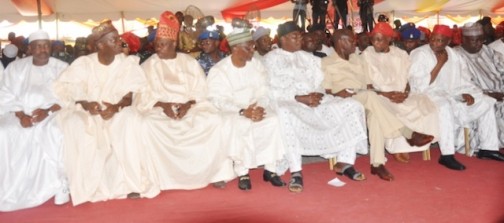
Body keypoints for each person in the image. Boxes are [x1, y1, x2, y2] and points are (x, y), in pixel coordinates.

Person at [53, 20, 160, 206]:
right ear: (100, 45)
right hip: (89, 112)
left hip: (118, 111)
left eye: (118, 38)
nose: (120, 42)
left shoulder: (127, 63)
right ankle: (89, 187)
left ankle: (132, 183)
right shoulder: (84, 64)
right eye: (114, 40)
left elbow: (130, 95)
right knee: (75, 124)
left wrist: (116, 107)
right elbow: (66, 89)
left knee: (132, 120)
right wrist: (86, 104)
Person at [135, 11, 236, 191]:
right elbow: (141, 95)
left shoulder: (189, 62)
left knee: (213, 120)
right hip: (160, 109)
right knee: (146, 124)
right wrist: (162, 105)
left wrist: (188, 105)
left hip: (191, 105)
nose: (158, 48)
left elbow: (201, 90)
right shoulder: (148, 65)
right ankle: (158, 178)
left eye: (162, 44)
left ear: (173, 43)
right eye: (157, 45)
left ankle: (215, 173)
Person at [263, 21, 368, 192]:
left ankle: (346, 162)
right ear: (283, 39)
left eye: (300, 36)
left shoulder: (308, 57)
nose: (299, 39)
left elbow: (319, 82)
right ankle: (296, 171)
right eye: (294, 36)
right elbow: (269, 88)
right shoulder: (271, 59)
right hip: (289, 101)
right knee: (284, 113)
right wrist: (299, 97)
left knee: (352, 106)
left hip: (314, 100)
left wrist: (317, 94)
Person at [322, 29, 437, 181]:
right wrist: (338, 94)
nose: (355, 43)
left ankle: (377, 163)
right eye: (351, 40)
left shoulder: (359, 59)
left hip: (363, 97)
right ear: (341, 42)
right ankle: (407, 133)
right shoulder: (327, 62)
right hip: (342, 101)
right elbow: (326, 91)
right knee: (370, 96)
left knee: (375, 117)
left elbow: (369, 86)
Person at [207, 23, 286, 191]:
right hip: (232, 111)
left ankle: (270, 170)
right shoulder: (219, 70)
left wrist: (260, 107)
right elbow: (217, 100)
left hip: (255, 107)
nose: (253, 50)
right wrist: (243, 111)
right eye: (248, 47)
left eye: (252, 46)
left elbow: (264, 90)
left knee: (273, 120)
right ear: (235, 48)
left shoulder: (256, 65)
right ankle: (242, 172)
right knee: (239, 124)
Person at [409, 25, 502, 167]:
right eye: (433, 39)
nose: (435, 43)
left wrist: (465, 92)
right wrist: (440, 63)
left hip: (452, 94)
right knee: (444, 106)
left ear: (448, 42)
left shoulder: (454, 54)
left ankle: (488, 148)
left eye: (440, 40)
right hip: (426, 96)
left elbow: (463, 79)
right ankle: (447, 154)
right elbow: (418, 85)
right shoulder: (419, 54)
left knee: (486, 101)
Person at [0, 30, 69, 211]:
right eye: (37, 46)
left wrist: (47, 111)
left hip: (52, 113)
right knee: (3, 133)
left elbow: (69, 96)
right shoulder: (15, 68)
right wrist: (22, 115)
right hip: (18, 113)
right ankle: (7, 185)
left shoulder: (61, 67)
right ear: (30, 48)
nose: (42, 49)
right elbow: (5, 94)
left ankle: (60, 184)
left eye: (45, 45)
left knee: (55, 132)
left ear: (51, 47)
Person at [360, 23, 440, 169]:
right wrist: (387, 94)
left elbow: (409, 79)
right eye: (373, 40)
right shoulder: (367, 54)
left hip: (401, 93)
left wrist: (405, 93)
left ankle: (415, 142)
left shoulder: (400, 54)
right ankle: (399, 147)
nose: (375, 43)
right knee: (389, 108)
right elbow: (367, 86)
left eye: (380, 40)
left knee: (424, 104)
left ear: (389, 39)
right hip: (380, 94)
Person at [453, 22, 504, 159]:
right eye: (474, 40)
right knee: (489, 104)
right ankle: (487, 148)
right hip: (474, 97)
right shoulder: (454, 55)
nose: (479, 44)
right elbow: (458, 84)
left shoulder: (489, 51)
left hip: (499, 93)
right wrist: (487, 93)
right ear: (463, 39)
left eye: (481, 40)